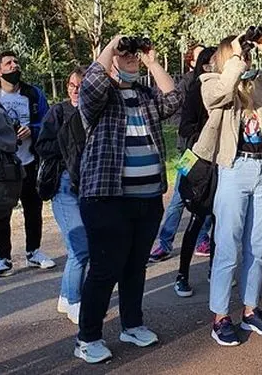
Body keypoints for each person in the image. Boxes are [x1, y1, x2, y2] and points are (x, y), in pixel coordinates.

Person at [192, 32, 262, 346]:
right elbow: (219, 95)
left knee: (257, 245)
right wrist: (234, 58)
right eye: (240, 54)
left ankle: (250, 309)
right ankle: (220, 317)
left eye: (247, 54)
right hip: (234, 169)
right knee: (227, 246)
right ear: (228, 57)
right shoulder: (212, 82)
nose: (247, 58)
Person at [75, 35, 180, 363]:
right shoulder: (100, 99)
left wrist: (152, 62)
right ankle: (88, 337)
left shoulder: (145, 96)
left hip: (147, 198)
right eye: (126, 56)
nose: (131, 58)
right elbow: (92, 83)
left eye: (133, 55)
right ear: (111, 64)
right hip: (107, 199)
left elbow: (174, 99)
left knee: (135, 267)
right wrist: (111, 46)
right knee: (105, 269)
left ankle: (132, 325)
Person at [0, 50, 53, 277]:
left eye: (16, 62)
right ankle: (2, 258)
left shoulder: (33, 93)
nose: (14, 65)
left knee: (33, 209)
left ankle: (33, 251)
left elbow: (48, 122)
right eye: (8, 63)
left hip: (30, 161)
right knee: (2, 213)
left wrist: (32, 131)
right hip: (2, 166)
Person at [36, 66, 88, 324]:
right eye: (71, 85)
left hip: (89, 185)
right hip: (64, 185)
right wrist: (69, 140)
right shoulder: (59, 111)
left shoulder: (95, 112)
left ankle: (67, 296)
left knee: (78, 247)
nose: (75, 90)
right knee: (81, 247)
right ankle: (74, 301)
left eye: (80, 86)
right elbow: (42, 146)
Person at [149, 43, 211, 262]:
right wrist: (194, 134)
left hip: (211, 153)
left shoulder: (216, 83)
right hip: (189, 152)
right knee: (178, 197)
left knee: (208, 197)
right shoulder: (187, 84)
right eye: (199, 57)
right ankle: (164, 243)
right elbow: (177, 115)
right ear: (192, 61)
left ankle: (202, 238)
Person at [172, 46, 217, 297]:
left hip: (219, 161)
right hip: (194, 158)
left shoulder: (225, 89)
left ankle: (214, 268)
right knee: (191, 213)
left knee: (219, 219)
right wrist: (205, 135)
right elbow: (184, 128)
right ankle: (182, 274)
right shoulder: (194, 88)